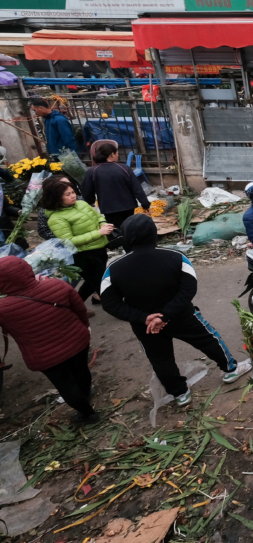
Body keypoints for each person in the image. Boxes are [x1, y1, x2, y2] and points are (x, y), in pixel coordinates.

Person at [100, 215, 251, 406]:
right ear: (154, 234)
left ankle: (180, 394)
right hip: (181, 315)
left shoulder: (114, 269)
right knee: (207, 339)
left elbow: (109, 303)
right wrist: (166, 314)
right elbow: (189, 288)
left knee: (160, 359)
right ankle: (231, 370)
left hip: (146, 326)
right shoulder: (174, 256)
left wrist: (144, 317)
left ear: (126, 238)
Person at [0, 255, 98, 422]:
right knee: (81, 370)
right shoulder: (58, 285)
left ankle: (88, 414)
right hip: (76, 340)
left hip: (44, 356)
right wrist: (84, 328)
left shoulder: (3, 309)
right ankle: (86, 393)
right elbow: (80, 310)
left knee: (65, 385)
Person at [40, 176, 113, 305]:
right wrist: (98, 233)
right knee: (102, 284)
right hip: (84, 255)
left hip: (100, 247)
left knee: (95, 281)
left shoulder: (81, 203)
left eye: (73, 192)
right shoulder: (56, 218)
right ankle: (117, 307)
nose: (73, 196)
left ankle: (74, 305)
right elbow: (69, 241)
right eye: (68, 194)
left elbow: (97, 216)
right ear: (57, 198)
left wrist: (103, 224)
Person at [81, 141, 150, 230]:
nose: (118, 155)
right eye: (117, 153)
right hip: (128, 206)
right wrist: (145, 204)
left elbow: (87, 189)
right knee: (128, 227)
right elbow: (137, 188)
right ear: (112, 154)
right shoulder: (124, 168)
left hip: (108, 208)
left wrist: (90, 201)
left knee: (115, 229)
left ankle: (119, 242)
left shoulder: (92, 171)